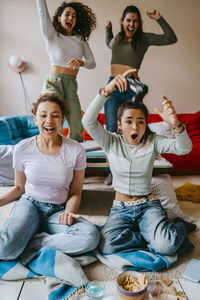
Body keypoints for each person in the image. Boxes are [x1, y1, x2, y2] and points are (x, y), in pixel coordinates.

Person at [82, 69, 196, 256]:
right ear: (119, 124)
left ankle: (178, 226)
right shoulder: (110, 141)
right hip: (121, 208)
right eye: (129, 121)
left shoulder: (154, 141)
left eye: (140, 122)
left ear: (146, 125)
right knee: (107, 246)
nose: (135, 126)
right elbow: (88, 121)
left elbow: (184, 148)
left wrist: (176, 125)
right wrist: (106, 91)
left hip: (148, 205)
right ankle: (150, 235)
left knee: (166, 247)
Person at [0, 94, 99, 261]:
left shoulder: (76, 150)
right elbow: (19, 188)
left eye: (55, 115)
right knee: (4, 249)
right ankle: (27, 234)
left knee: (91, 237)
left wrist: (69, 212)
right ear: (35, 119)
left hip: (58, 210)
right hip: (30, 205)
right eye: (43, 115)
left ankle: (36, 243)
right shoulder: (22, 148)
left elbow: (75, 192)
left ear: (62, 120)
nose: (49, 121)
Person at [104, 6, 177, 184]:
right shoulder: (118, 38)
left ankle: (134, 170)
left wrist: (159, 18)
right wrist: (108, 30)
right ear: (123, 22)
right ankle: (113, 171)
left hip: (132, 86)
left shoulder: (144, 39)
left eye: (135, 21)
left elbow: (171, 38)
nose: (132, 24)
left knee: (132, 129)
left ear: (139, 23)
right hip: (113, 85)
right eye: (128, 20)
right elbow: (109, 45)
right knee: (113, 128)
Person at [36, 0, 97, 142]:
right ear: (59, 18)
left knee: (76, 125)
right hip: (53, 82)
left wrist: (81, 62)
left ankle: (72, 155)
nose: (71, 18)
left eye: (74, 16)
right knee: (52, 117)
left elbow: (92, 63)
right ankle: (49, 149)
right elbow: (42, 13)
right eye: (67, 14)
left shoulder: (80, 39)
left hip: (71, 84)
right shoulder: (51, 35)